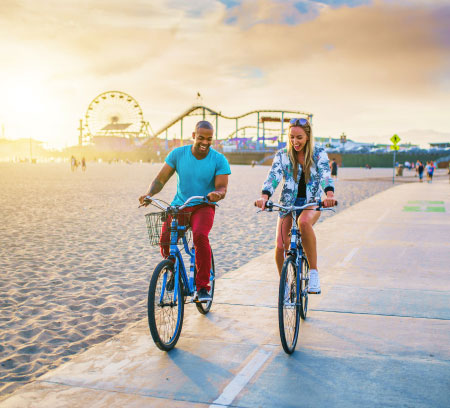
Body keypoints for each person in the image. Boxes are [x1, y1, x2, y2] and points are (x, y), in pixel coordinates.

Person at [139, 121, 231, 302]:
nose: (205, 142)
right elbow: (160, 179)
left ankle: (203, 287)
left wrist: (215, 194)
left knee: (199, 236)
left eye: (209, 139)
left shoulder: (218, 159)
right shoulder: (178, 154)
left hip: (203, 205)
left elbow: (222, 188)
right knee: (165, 240)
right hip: (180, 205)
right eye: (201, 138)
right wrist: (149, 194)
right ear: (193, 135)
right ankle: (173, 269)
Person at [255, 118, 336, 294]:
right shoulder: (282, 155)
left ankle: (313, 274)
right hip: (287, 204)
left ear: (307, 136)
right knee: (280, 245)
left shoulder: (319, 153)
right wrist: (264, 197)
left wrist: (329, 194)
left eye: (299, 137)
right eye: (291, 137)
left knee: (304, 223)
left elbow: (325, 174)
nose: (295, 142)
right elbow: (273, 177)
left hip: (311, 202)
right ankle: (284, 283)